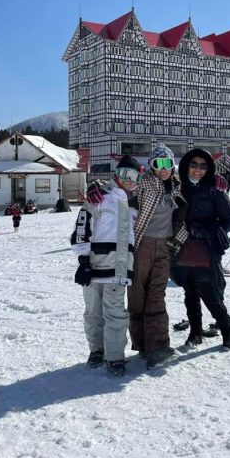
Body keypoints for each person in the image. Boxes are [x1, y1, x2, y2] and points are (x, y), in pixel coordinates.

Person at [71, 156, 140, 377]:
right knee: (93, 312)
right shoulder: (100, 197)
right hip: (94, 265)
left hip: (119, 269)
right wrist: (83, 260)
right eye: (123, 175)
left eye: (133, 176)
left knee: (116, 313)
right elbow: (82, 225)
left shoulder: (135, 205)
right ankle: (97, 350)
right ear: (115, 175)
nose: (128, 180)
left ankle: (115, 356)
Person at [169, 148, 230, 349]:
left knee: (210, 292)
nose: (197, 169)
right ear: (186, 166)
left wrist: (210, 230)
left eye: (203, 166)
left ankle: (227, 331)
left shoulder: (214, 189)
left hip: (206, 248)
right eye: (193, 164)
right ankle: (195, 333)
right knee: (190, 292)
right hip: (183, 247)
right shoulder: (178, 187)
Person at [125, 143, 186, 369]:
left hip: (165, 247)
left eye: (167, 163)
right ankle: (142, 345)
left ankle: (158, 347)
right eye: (158, 163)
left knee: (157, 295)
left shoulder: (178, 188)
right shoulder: (144, 185)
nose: (163, 168)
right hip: (142, 245)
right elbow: (123, 191)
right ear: (151, 165)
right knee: (137, 295)